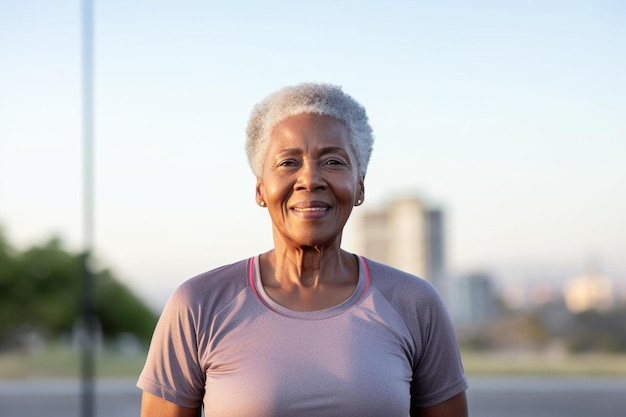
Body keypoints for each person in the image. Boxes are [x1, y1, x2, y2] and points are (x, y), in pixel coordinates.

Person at [138, 82, 469, 417]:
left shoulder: (414, 303)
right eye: (288, 162)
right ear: (260, 189)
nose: (310, 179)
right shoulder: (198, 304)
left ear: (359, 187)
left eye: (334, 162)